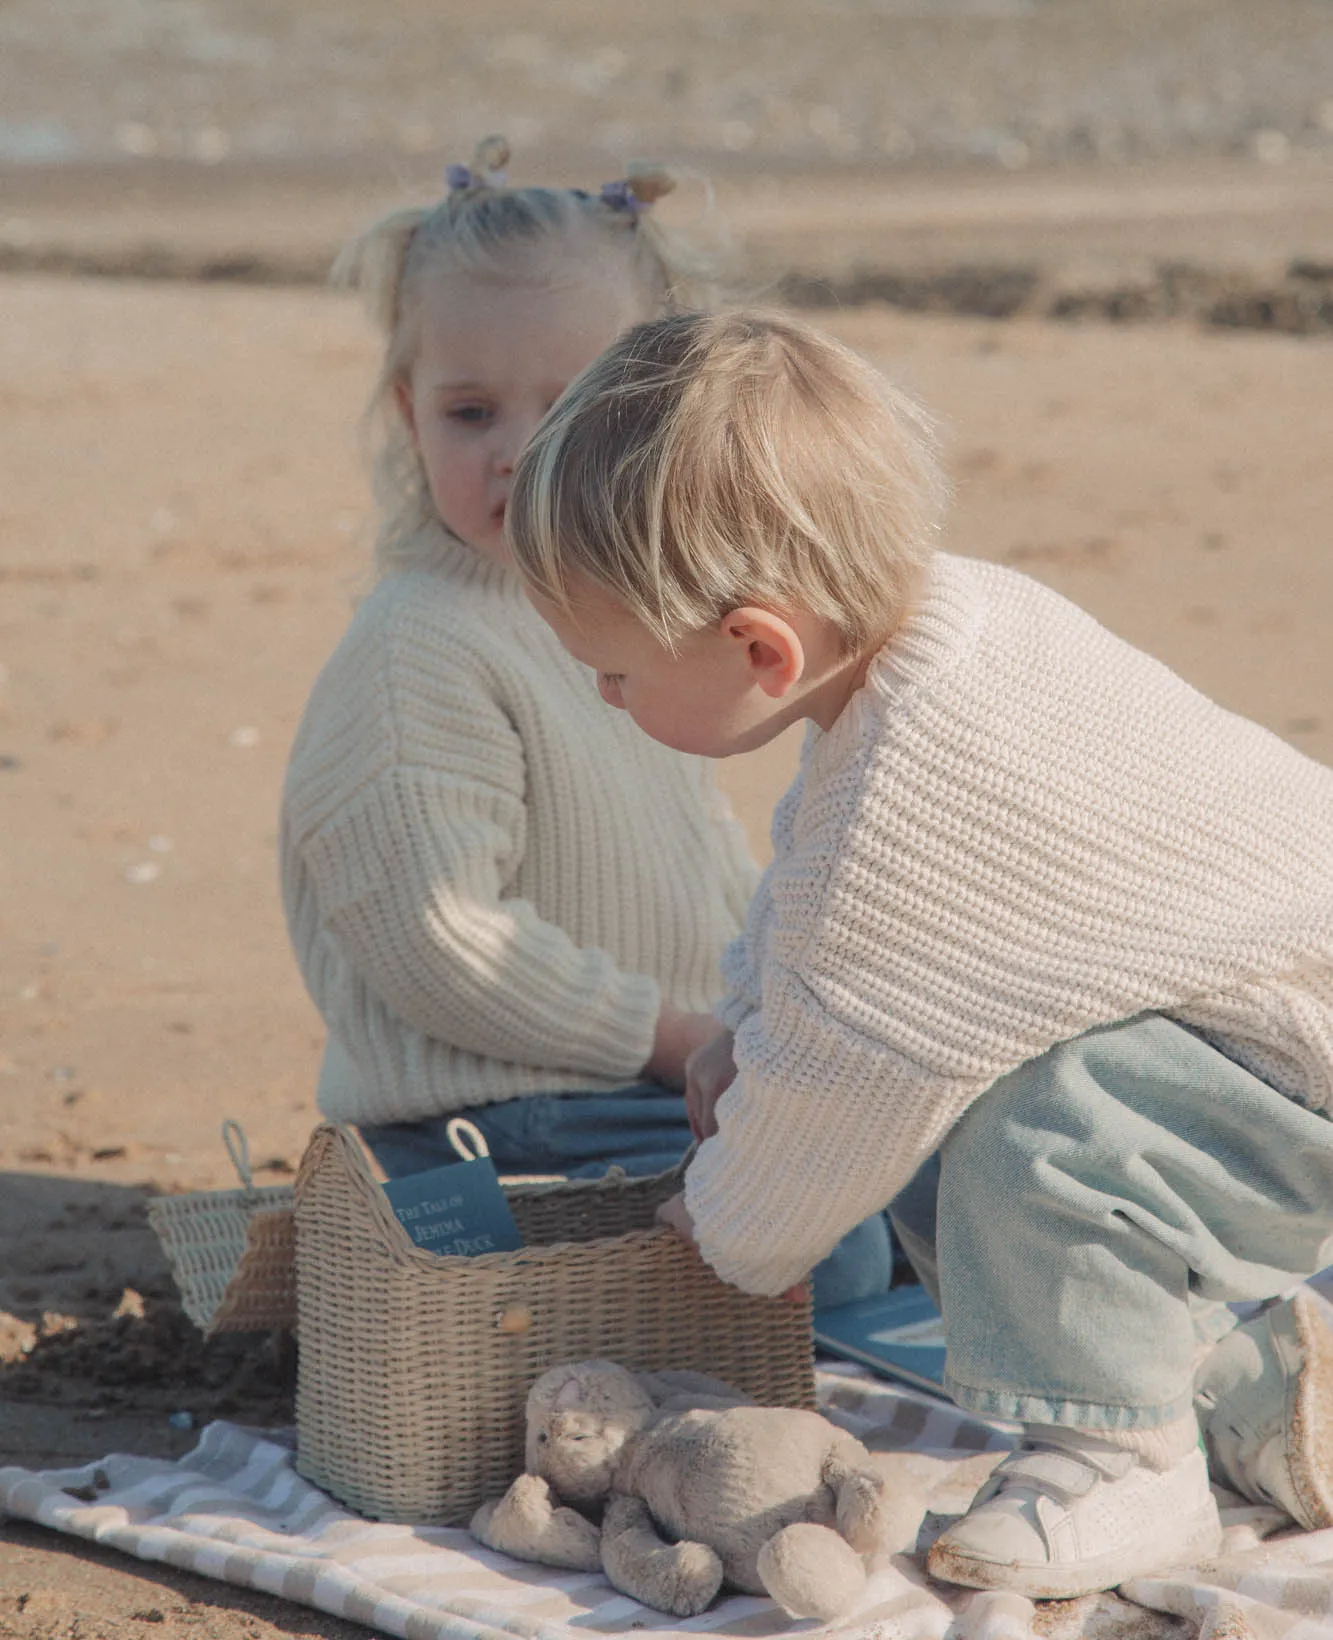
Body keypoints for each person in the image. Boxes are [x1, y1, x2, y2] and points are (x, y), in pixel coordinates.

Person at [505, 306, 1333, 1601]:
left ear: (758, 648)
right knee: (972, 1108)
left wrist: (721, 1226)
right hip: (1252, 1022)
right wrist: (740, 1031)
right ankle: (1241, 1391)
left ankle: (1121, 1459)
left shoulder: (904, 798)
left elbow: (838, 1076)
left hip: (1298, 1046)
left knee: (1030, 1136)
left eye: (614, 675)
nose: (605, 703)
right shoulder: (951, 625)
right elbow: (805, 914)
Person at [279, 144, 892, 1307]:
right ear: (410, 412)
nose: (518, 450)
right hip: (486, 1123)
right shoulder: (421, 646)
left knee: (913, 1168)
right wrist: (676, 1037)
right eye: (471, 411)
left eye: (570, 409)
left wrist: (758, 1028)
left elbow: (701, 866)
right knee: (828, 1250)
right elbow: (443, 943)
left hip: (652, 1079)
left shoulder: (626, 620)